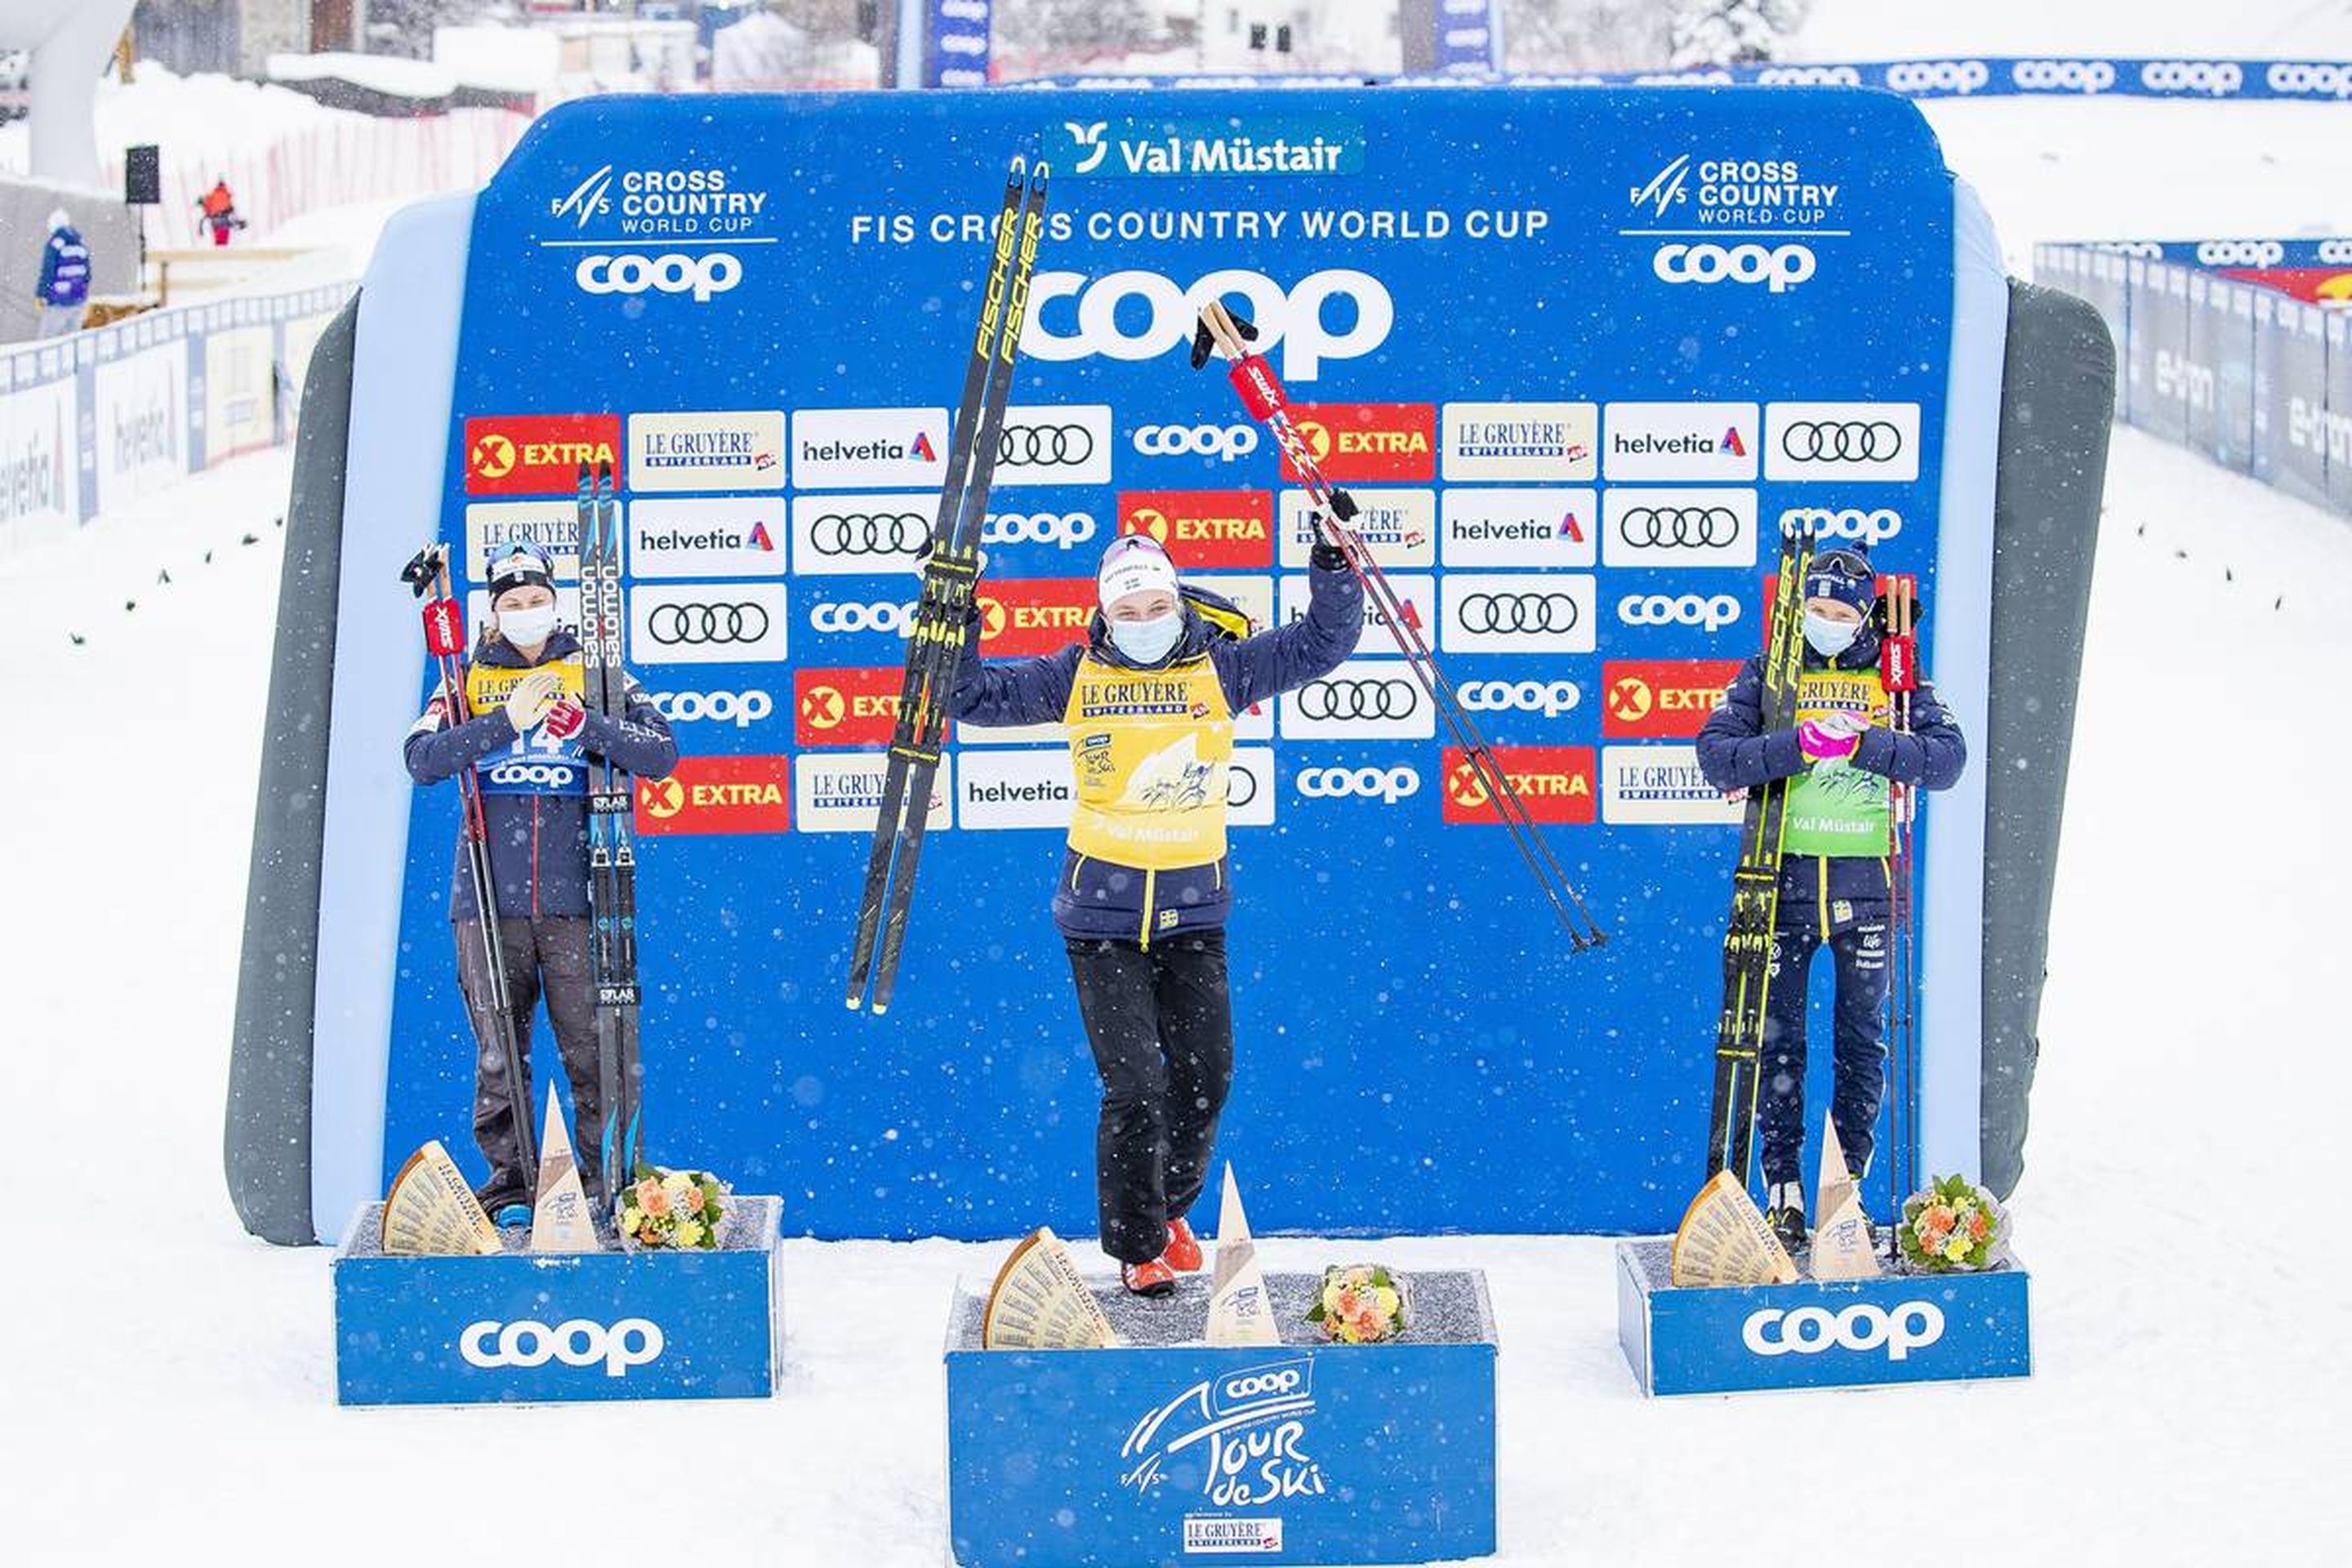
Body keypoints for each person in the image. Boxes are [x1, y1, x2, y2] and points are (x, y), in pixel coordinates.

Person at [953, 528, 1363, 1294]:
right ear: (1105, 615)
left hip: (1192, 915)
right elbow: (970, 696)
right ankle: (1139, 1249)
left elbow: (1321, 646)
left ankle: (1170, 1208)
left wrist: (1334, 566)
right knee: (1135, 1083)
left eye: (1158, 603)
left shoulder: (1224, 667)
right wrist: (955, 614)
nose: (1145, 617)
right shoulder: (1073, 675)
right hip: (1101, 923)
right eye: (1129, 607)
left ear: (1179, 605)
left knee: (1208, 1076)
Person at [1695, 546, 1967, 1254]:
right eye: (1815, 611)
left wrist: (1870, 746)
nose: (1827, 624)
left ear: (1865, 615)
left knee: (1861, 1045)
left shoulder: (1896, 675)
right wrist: (1795, 745)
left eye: (1841, 614)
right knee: (1777, 1042)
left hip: (1865, 893)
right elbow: (1716, 754)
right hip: (1780, 887)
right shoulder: (1772, 670)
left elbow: (1947, 760)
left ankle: (1844, 1189)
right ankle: (1782, 1188)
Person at [403, 542, 677, 1217]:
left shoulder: (594, 671)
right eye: (512, 605)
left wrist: (587, 725)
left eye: (536, 602)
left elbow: (660, 753)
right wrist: (505, 722)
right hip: (487, 898)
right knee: (498, 1053)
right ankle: (512, 1178)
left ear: (555, 603)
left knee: (594, 1046)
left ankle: (605, 1180)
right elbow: (422, 758)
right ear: (494, 614)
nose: (527, 613)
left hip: (578, 897)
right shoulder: (463, 677)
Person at [33, 209, 90, 338]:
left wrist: (41, 294)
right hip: (78, 297)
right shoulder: (80, 243)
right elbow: (87, 274)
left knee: (45, 341)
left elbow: (48, 272)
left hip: (58, 299)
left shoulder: (55, 243)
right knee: (72, 341)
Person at [197, 176, 243, 247]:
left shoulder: (211, 196)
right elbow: (231, 211)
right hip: (225, 219)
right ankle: (223, 253)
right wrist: (237, 221)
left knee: (219, 241)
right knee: (224, 241)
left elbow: (207, 209)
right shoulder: (227, 196)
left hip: (216, 220)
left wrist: (202, 203)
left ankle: (218, 252)